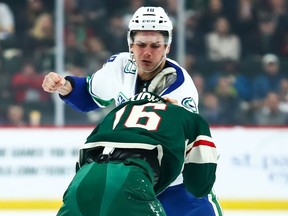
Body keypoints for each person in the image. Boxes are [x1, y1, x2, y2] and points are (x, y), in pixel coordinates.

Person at [42, 6, 223, 216]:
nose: (147, 52)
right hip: (131, 179)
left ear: (167, 47)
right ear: (130, 43)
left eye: (155, 46)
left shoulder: (181, 88)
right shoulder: (119, 66)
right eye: (141, 44)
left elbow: (189, 142)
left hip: (175, 185)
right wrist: (64, 86)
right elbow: (89, 97)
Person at [57, 92, 218, 216]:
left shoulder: (115, 114)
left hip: (81, 182)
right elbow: (200, 184)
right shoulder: (185, 115)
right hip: (131, 178)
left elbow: (83, 156)